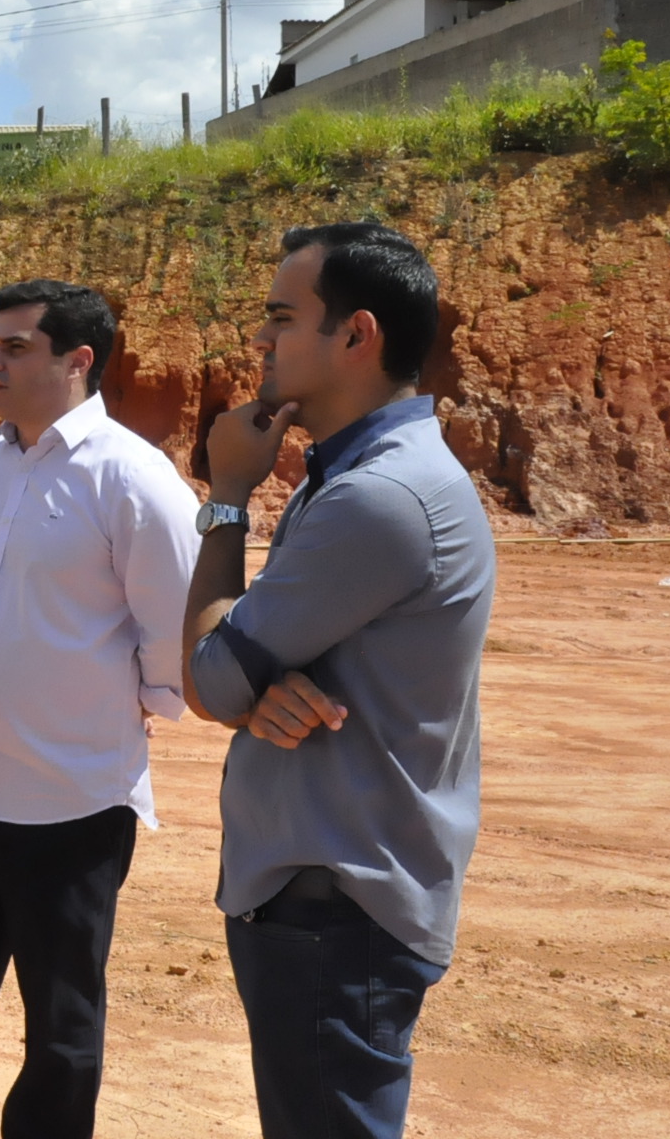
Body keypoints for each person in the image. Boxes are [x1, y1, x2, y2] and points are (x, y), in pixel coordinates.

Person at [182, 223, 496, 1139]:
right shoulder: (362, 476)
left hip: (336, 909)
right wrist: (256, 679)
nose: (260, 342)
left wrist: (229, 496)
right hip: (334, 897)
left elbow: (209, 678)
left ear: (356, 335)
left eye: (282, 318)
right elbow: (246, 676)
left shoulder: (380, 496)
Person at [0, 279, 200, 1139]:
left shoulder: (135, 478)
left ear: (77, 360)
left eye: (14, 346)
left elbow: (172, 630)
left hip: (70, 805)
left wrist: (99, 719)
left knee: (60, 1037)